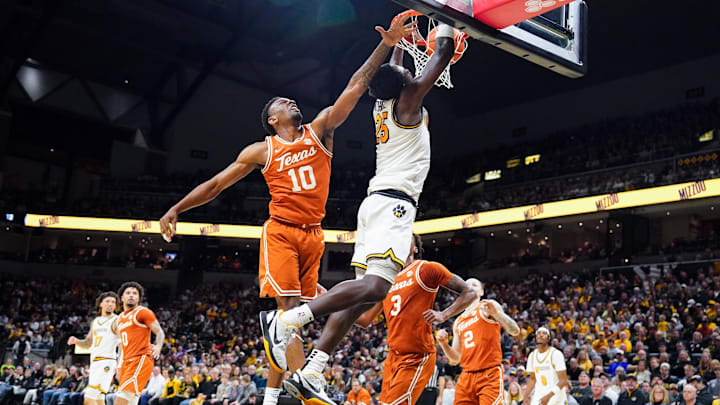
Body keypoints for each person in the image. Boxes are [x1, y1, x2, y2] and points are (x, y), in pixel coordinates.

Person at [158, 13, 417, 405]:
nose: (292, 101)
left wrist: (388, 44)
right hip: (281, 231)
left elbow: (356, 85)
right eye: (284, 102)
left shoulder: (321, 130)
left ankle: (277, 392)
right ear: (273, 119)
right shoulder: (262, 150)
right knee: (290, 310)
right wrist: (177, 208)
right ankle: (295, 391)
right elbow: (215, 184)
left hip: (315, 235)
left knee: (317, 314)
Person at [264, 15, 459, 405]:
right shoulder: (406, 102)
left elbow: (401, 71)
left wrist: (401, 41)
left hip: (376, 204)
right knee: (377, 287)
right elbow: (442, 55)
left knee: (361, 299)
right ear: (406, 86)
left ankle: (313, 369)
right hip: (394, 206)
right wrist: (451, 21)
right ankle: (289, 319)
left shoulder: (385, 105)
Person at [353, 234, 476, 405]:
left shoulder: (426, 269)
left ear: (415, 248)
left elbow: (470, 292)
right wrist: (329, 304)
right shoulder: (387, 280)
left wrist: (444, 314)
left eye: (405, 237)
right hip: (393, 357)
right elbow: (365, 319)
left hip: (417, 357)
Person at [435, 279, 521, 405]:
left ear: (481, 292)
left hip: (489, 374)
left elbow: (515, 330)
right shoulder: (458, 321)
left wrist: (497, 314)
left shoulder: (487, 306)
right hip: (466, 376)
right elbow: (454, 360)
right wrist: (443, 343)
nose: (469, 286)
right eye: (466, 285)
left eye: (474, 285)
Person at [115, 282, 165, 405]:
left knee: (121, 397)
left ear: (138, 298)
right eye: (128, 293)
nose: (131, 295)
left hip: (140, 359)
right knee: (131, 400)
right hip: (127, 362)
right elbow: (122, 344)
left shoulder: (143, 312)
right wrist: (119, 366)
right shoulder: (120, 318)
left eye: (135, 293)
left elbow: (159, 332)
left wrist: (158, 346)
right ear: (122, 298)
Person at [67, 291, 120, 405]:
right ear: (101, 304)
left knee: (90, 396)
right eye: (107, 301)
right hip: (95, 362)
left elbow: (122, 342)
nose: (110, 304)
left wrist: (119, 364)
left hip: (107, 361)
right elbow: (88, 343)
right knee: (99, 398)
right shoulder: (96, 322)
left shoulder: (117, 321)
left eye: (113, 302)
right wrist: (76, 341)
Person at [525, 327, 570, 405]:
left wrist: (549, 396)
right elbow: (532, 378)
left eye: (544, 333)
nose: (541, 335)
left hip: (555, 395)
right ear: (535, 338)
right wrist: (526, 395)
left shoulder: (556, 354)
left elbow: (563, 380)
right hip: (539, 394)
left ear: (548, 339)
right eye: (538, 333)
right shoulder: (532, 355)